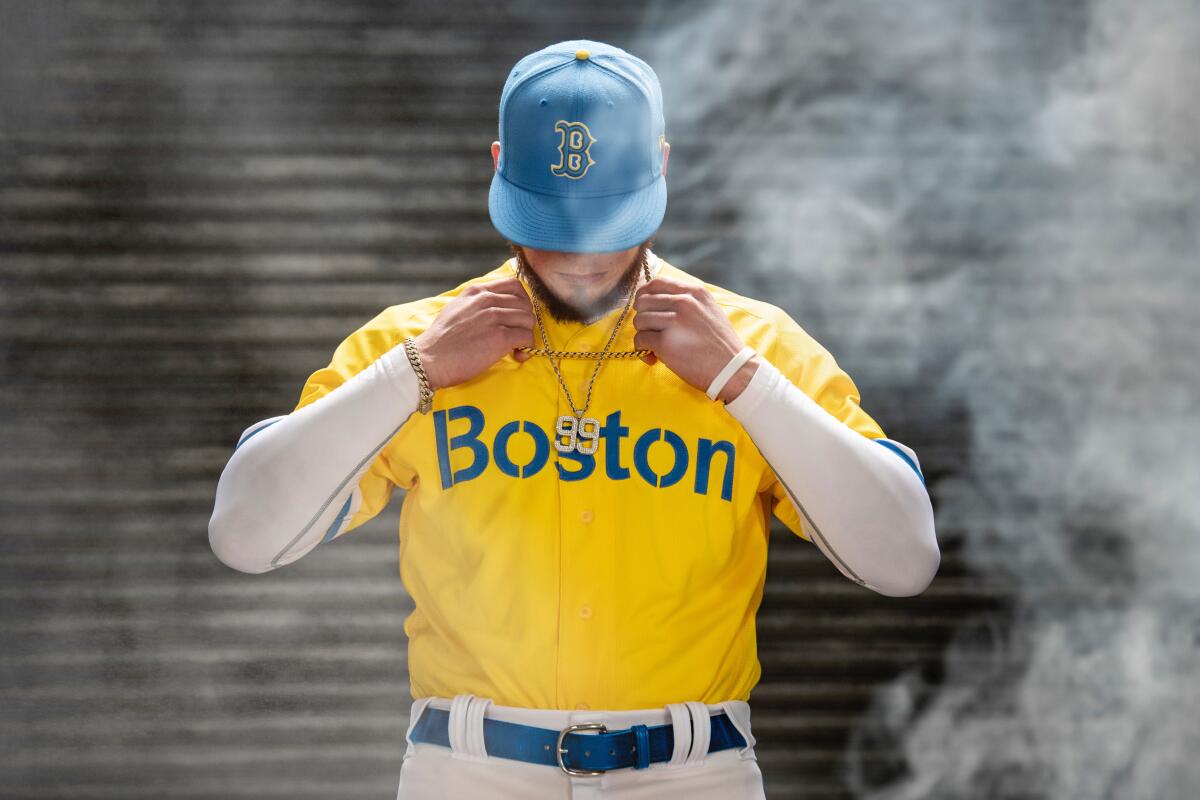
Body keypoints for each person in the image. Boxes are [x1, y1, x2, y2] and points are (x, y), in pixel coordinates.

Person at [207, 39, 939, 800]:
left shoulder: (754, 345)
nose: (583, 259)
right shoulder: (415, 344)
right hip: (471, 773)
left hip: (694, 777)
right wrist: (413, 374)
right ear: (498, 165)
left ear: (662, 163)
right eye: (552, 224)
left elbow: (902, 559)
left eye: (609, 221)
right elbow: (245, 536)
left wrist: (742, 381)